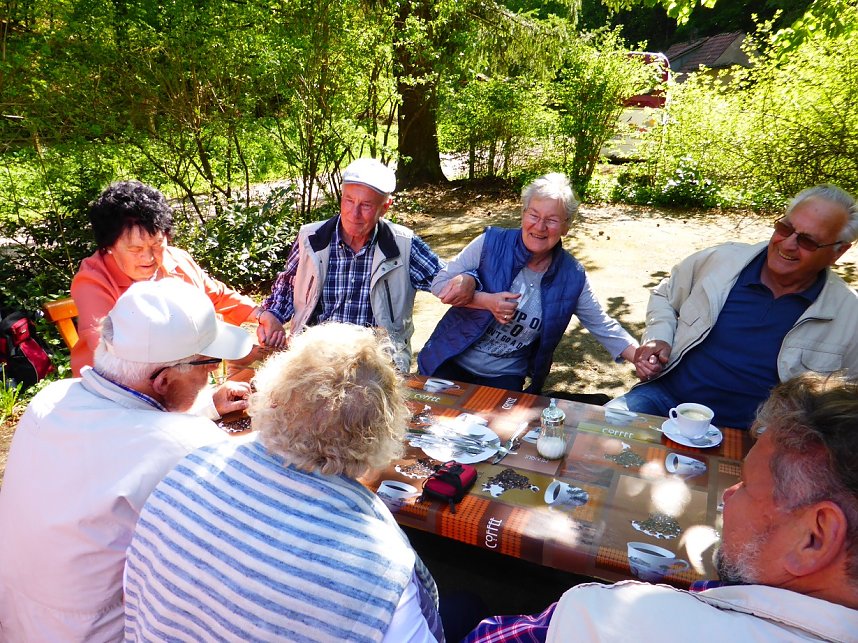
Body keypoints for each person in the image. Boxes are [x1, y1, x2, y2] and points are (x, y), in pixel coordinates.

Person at [464, 371, 858, 642]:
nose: (727, 494)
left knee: (464, 606)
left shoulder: (621, 618)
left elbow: (484, 637)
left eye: (748, 486)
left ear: (814, 537)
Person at [123, 323, 444, 642]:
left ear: (272, 397)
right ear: (381, 433)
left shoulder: (188, 469)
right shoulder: (379, 563)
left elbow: (134, 592)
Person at [0, 279, 253, 642]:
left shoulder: (51, 399)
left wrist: (206, 406)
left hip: (20, 625)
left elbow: (125, 432)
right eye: (210, 364)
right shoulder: (187, 447)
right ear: (163, 380)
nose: (212, 374)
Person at [610, 184, 858, 429]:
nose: (787, 244)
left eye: (807, 241)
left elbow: (846, 407)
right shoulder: (721, 261)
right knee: (601, 431)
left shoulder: (850, 316)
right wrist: (659, 338)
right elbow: (665, 294)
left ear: (838, 251)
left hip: (761, 434)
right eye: (785, 228)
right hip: (666, 400)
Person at [418, 173, 637, 393]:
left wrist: (640, 356)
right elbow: (439, 284)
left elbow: (601, 324)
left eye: (552, 220)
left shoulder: (572, 276)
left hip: (505, 375)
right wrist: (485, 301)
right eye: (533, 215)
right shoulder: (491, 243)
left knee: (497, 417)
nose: (540, 227)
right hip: (451, 359)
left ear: (566, 226)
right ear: (523, 214)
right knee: (433, 414)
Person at [261, 157, 474, 371]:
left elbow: (446, 280)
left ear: (385, 207)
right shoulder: (311, 238)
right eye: (349, 200)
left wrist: (468, 279)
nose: (354, 214)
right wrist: (272, 315)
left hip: (375, 364)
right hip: (315, 358)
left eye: (366, 205)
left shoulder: (403, 245)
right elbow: (286, 288)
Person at [70, 180, 272, 376]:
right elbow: (107, 347)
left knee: (261, 364)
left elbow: (216, 295)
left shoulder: (177, 259)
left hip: (189, 371)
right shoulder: (93, 280)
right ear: (108, 246)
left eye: (157, 244)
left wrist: (261, 315)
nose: (149, 257)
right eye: (135, 249)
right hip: (123, 382)